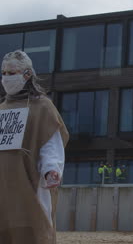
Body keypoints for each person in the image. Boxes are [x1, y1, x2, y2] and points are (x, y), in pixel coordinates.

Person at [0, 50, 69, 244]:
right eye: (3, 73)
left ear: (27, 75)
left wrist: (51, 169)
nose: (6, 78)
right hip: (2, 185)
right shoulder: (1, 109)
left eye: (11, 73)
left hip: (31, 181)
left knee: (36, 229)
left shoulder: (43, 107)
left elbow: (51, 143)